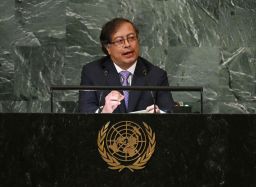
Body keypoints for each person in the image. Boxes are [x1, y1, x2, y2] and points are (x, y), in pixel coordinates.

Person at [79, 17, 174, 113]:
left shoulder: (156, 75)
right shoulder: (92, 72)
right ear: (108, 48)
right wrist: (103, 112)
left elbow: (169, 112)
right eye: (120, 41)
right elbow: (85, 111)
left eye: (132, 38)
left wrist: (159, 114)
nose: (127, 44)